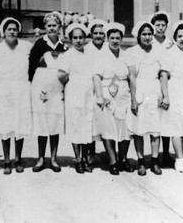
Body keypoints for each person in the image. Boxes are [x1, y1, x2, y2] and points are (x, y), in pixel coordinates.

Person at [0, 17, 32, 175]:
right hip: (4, 89)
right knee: (6, 125)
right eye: (9, 29)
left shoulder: (26, 46)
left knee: (19, 125)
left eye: (15, 29)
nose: (12, 32)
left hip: (21, 88)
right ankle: (7, 161)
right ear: (4, 31)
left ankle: (18, 159)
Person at [93, 22, 136, 175]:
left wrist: (133, 99)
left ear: (122, 38)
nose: (115, 41)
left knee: (125, 129)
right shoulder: (101, 56)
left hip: (124, 94)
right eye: (112, 38)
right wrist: (99, 96)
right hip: (106, 95)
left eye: (118, 38)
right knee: (109, 128)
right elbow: (97, 77)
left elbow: (132, 77)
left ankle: (123, 160)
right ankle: (112, 161)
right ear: (107, 38)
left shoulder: (127, 55)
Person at [29, 11, 67, 173]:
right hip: (41, 88)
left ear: (59, 27)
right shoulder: (39, 44)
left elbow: (67, 68)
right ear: (45, 27)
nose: (52, 28)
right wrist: (34, 86)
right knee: (42, 121)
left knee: (54, 122)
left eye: (55, 25)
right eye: (49, 25)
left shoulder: (63, 46)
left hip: (58, 88)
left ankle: (53, 158)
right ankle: (40, 159)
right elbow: (31, 68)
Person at [126, 21, 163, 176]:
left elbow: (162, 74)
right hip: (140, 92)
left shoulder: (159, 51)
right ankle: (141, 161)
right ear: (138, 36)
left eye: (149, 34)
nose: (147, 37)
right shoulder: (132, 52)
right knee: (139, 130)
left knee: (155, 130)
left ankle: (154, 162)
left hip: (154, 91)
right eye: (144, 34)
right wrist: (134, 99)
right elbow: (132, 77)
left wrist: (162, 93)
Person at [159, 21, 183, 174]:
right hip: (175, 91)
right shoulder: (171, 52)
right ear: (175, 38)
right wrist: (166, 96)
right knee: (176, 126)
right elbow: (163, 75)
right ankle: (180, 161)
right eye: (179, 36)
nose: (182, 39)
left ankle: (180, 158)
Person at [58, 23, 94, 174]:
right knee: (76, 124)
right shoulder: (67, 55)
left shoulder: (89, 54)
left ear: (85, 39)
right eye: (75, 38)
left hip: (88, 93)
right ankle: (78, 159)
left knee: (86, 124)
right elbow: (61, 74)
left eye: (81, 38)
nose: (78, 41)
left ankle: (85, 158)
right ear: (70, 39)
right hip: (74, 92)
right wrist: (71, 85)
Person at [150, 11, 174, 168]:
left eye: (162, 25)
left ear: (166, 26)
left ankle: (166, 153)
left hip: (168, 83)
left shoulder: (170, 44)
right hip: (153, 83)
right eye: (157, 25)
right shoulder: (149, 41)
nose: (160, 28)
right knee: (153, 120)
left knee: (167, 120)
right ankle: (154, 155)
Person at [84, 19, 107, 164]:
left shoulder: (108, 47)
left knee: (107, 122)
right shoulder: (86, 49)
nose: (98, 36)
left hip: (106, 88)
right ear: (91, 34)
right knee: (90, 121)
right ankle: (90, 153)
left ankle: (110, 152)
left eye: (101, 33)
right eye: (96, 33)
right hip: (89, 89)